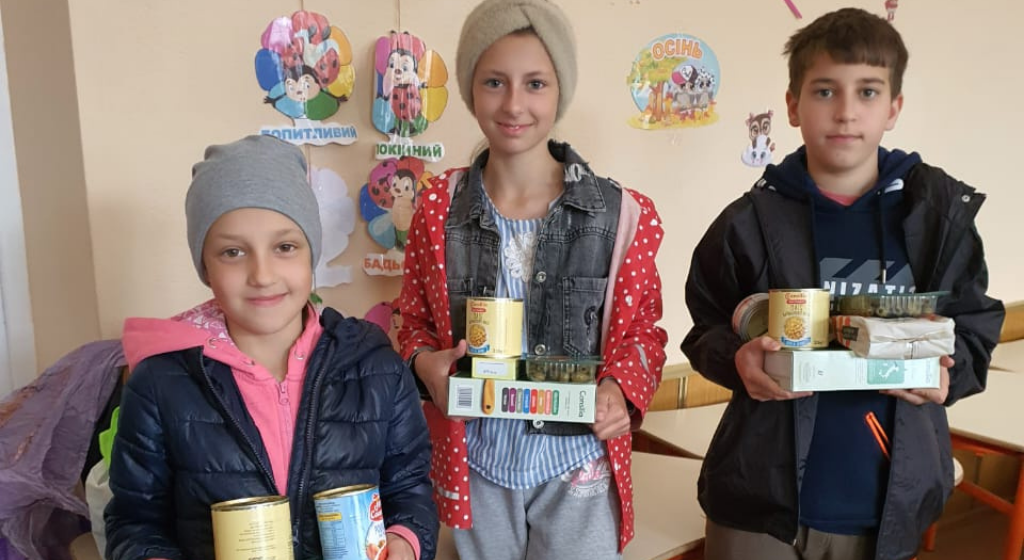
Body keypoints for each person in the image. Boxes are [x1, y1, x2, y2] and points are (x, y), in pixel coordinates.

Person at [682, 8, 1005, 560]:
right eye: (825, 91)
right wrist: (736, 359)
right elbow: (707, 325)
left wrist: (950, 376)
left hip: (886, 506)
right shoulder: (748, 221)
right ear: (793, 105)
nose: (847, 112)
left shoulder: (937, 218)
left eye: (869, 92)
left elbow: (973, 327)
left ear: (894, 108)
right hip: (758, 504)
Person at [397, 1, 667, 559]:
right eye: (495, 81)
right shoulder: (435, 209)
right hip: (474, 463)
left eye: (535, 83)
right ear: (472, 89)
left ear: (559, 91)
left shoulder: (622, 215)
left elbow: (645, 332)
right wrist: (426, 364)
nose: (514, 103)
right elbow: (413, 321)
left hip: (576, 468)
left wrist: (622, 391)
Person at [105, 135, 438, 560]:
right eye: (232, 252)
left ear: (310, 254)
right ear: (205, 265)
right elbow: (134, 520)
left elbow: (409, 489)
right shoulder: (159, 381)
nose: (262, 275)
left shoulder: (375, 366)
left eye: (284, 247)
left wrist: (405, 543)